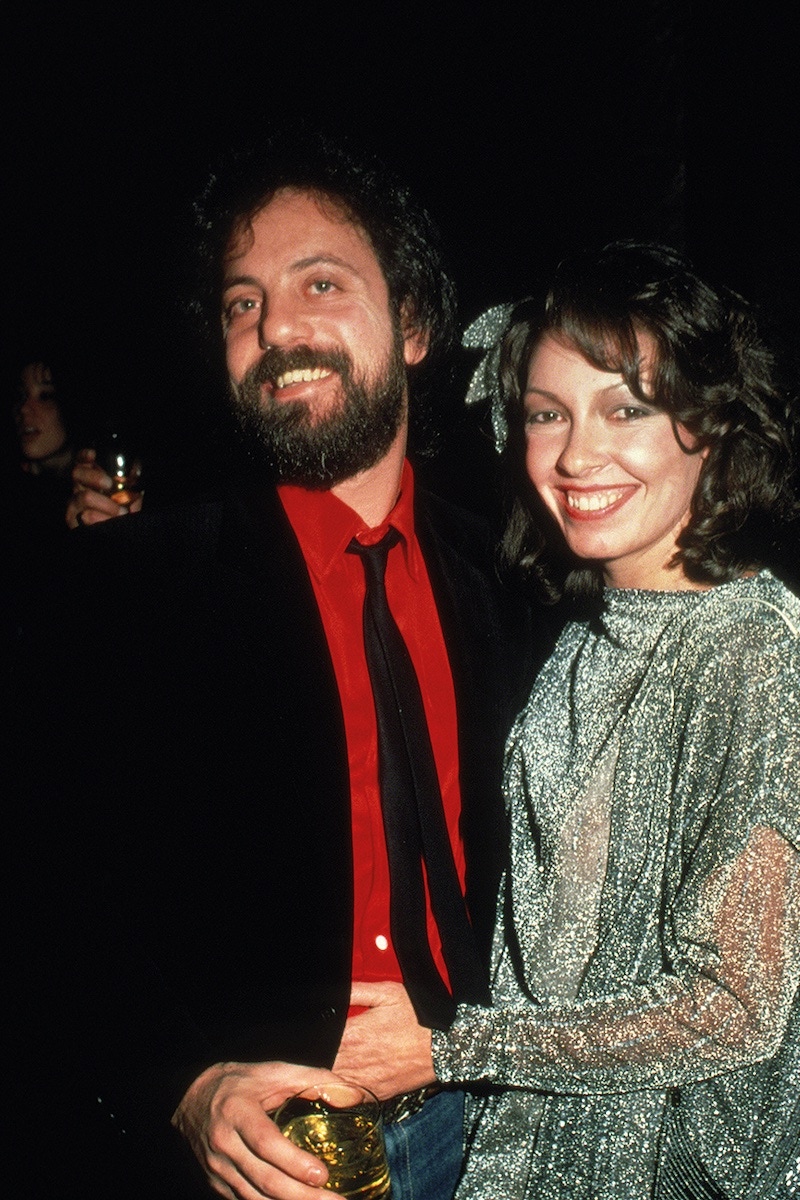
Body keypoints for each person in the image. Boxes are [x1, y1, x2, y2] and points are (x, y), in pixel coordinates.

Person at [10, 132, 536, 1199]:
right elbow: (43, 882)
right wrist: (182, 1082)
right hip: (256, 1164)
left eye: (321, 283)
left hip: (494, 1138)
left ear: (418, 324)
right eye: (241, 302)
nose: (278, 328)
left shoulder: (518, 582)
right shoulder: (118, 586)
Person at [333, 242, 800, 1199]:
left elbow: (736, 1009)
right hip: (531, 1140)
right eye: (547, 414)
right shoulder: (586, 632)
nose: (577, 455)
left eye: (625, 408)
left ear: (709, 426)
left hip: (658, 1167)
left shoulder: (755, 651)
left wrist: (451, 1049)